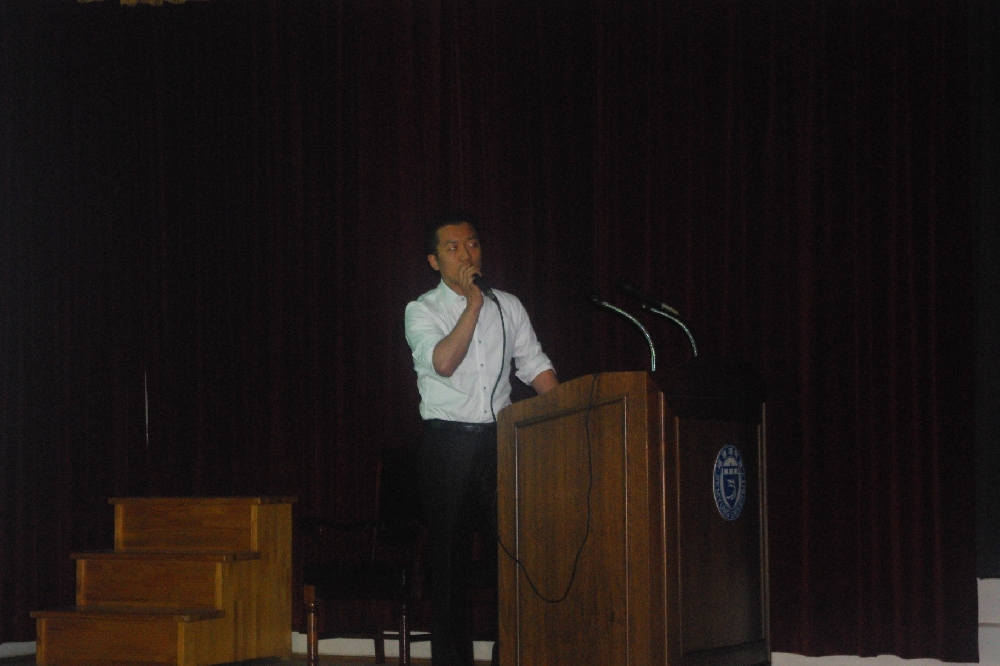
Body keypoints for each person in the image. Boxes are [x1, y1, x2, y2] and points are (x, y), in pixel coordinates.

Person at [404, 210, 558, 666]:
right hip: (447, 445)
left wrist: (568, 417)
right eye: (452, 248)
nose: (465, 254)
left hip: (500, 445)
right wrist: (472, 306)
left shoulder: (508, 306)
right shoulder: (422, 310)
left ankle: (510, 657)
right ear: (434, 261)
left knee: (508, 561)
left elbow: (535, 365)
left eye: (472, 244)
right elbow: (444, 362)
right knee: (449, 565)